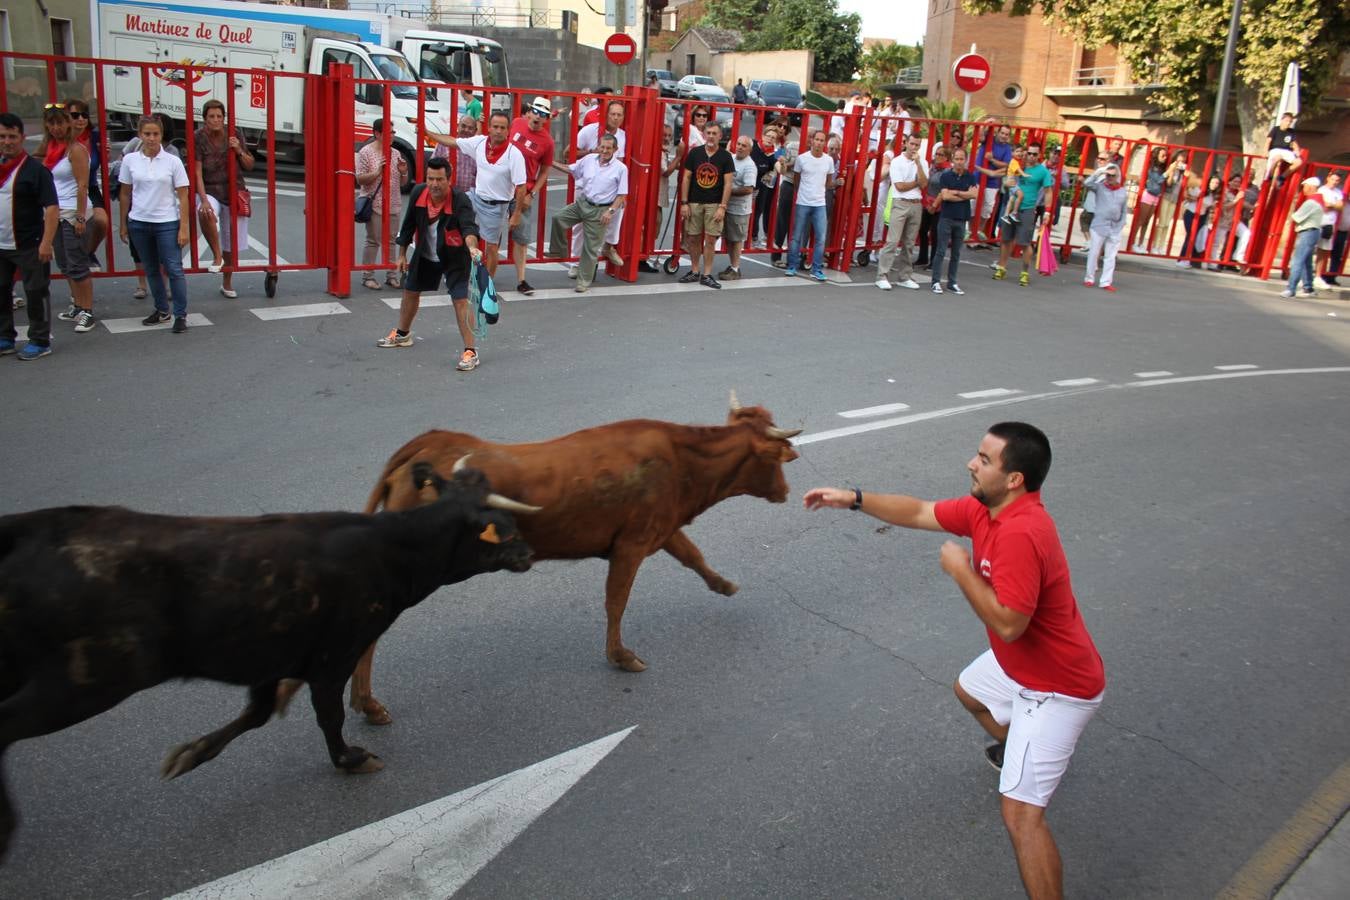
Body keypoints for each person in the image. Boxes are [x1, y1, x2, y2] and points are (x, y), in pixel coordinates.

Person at [802, 421, 1105, 900]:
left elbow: (1010, 624)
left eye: (985, 459)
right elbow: (921, 511)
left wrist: (962, 571)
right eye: (977, 454)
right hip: (1020, 666)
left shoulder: (1022, 532)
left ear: (1014, 479)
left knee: (1021, 817)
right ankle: (1024, 752)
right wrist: (854, 498)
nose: (971, 462)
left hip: (1056, 687)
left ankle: (1034, 763)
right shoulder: (986, 509)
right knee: (969, 691)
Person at [376, 157, 484, 370]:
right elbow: (408, 226)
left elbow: (469, 229)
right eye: (430, 178)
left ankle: (471, 351)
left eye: (439, 179)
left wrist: (472, 247)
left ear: (448, 180)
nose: (434, 184)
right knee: (410, 291)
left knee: (461, 300)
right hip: (426, 252)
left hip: (454, 256)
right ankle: (403, 335)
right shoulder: (419, 193)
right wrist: (401, 255)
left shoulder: (460, 199)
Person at [425, 111, 527, 280]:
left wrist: (516, 215)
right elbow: (453, 142)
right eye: (495, 127)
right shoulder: (480, 143)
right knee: (451, 222)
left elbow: (521, 187)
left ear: (508, 130)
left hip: (496, 206)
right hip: (475, 196)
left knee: (491, 248)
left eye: (502, 127)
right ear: (488, 127)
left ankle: (487, 283)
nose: (498, 131)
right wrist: (427, 132)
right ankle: (455, 268)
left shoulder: (514, 154)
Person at [119, 114, 191, 334]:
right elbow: (125, 193)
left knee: (174, 269)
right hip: (139, 222)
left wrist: (184, 227)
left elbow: (183, 195)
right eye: (147, 134)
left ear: (161, 135)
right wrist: (123, 224)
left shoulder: (173, 161)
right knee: (150, 268)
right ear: (140, 135)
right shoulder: (130, 160)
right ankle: (161, 309)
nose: (151, 139)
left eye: (155, 134)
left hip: (166, 222)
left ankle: (180, 314)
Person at [0, 112, 59, 360]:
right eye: (2, 136)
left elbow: (52, 208)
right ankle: (5, 337)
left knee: (35, 291)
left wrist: (46, 242)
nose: (7, 141)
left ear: (22, 138)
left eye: (12, 136)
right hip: (1, 244)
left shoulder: (35, 170)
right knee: (1, 290)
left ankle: (40, 339)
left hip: (29, 243)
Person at [37, 105, 98, 334]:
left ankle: (88, 311)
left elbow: (83, 185)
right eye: (52, 123)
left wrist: (81, 216)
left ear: (68, 124)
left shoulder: (76, 150)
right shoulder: (52, 148)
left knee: (78, 263)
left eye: (60, 123)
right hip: (56, 212)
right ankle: (78, 305)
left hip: (74, 212)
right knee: (64, 263)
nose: (56, 128)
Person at [545, 133, 627, 294]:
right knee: (558, 218)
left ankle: (583, 281)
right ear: (598, 146)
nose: (604, 151)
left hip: (601, 210)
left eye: (608, 148)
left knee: (590, 248)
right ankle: (559, 250)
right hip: (583, 203)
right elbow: (571, 169)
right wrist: (551, 162)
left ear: (615, 149)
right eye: (602, 147)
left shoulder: (620, 169)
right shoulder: (589, 160)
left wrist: (610, 211)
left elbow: (622, 194)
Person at [193, 99, 255, 299]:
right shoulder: (199, 137)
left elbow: (249, 164)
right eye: (211, 116)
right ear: (204, 119)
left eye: (219, 116)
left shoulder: (234, 133)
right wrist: (202, 199)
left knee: (231, 240)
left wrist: (238, 150)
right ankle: (216, 256)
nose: (215, 120)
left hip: (233, 190)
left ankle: (227, 282)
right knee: (205, 211)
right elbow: (197, 171)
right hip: (210, 189)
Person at [569, 99, 628, 275]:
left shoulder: (623, 136)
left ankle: (608, 247)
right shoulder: (589, 130)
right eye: (613, 114)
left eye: (619, 115)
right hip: (585, 186)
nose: (616, 118)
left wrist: (619, 193)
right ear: (606, 114)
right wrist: (591, 153)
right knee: (580, 225)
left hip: (608, 187)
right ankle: (575, 262)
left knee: (616, 213)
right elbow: (569, 152)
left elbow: (620, 163)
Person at [507, 96, 556, 296]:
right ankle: (484, 275)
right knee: (491, 234)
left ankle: (521, 280)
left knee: (521, 238)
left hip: (523, 191)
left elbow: (544, 171)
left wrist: (532, 193)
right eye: (536, 111)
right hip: (501, 186)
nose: (538, 117)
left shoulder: (548, 142)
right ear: (529, 112)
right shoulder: (516, 124)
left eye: (543, 114)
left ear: (547, 119)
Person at [355, 118, 411, 290]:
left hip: (393, 201)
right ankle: (368, 275)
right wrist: (377, 172)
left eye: (393, 132)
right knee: (373, 240)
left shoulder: (395, 153)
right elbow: (360, 179)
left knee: (392, 240)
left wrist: (403, 173)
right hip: (374, 202)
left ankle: (391, 274)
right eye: (389, 132)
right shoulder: (366, 152)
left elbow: (403, 183)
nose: (392, 135)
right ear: (377, 133)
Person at [678, 120, 734, 289]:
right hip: (694, 203)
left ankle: (707, 274)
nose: (710, 136)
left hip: (714, 204)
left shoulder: (725, 156)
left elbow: (728, 184)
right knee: (693, 238)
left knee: (710, 239)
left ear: (720, 136)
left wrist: (722, 207)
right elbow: (686, 178)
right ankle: (695, 271)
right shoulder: (695, 153)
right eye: (708, 133)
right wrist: (684, 203)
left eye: (714, 134)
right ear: (704, 135)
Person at [992, 144, 1053, 287]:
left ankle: (1024, 272)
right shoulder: (1017, 165)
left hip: (1028, 208)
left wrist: (1048, 211)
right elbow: (1004, 178)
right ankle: (1001, 267)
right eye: (1029, 153)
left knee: (1024, 242)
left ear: (1039, 156)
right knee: (1006, 239)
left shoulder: (1042, 172)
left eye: (1034, 154)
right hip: (1012, 206)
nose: (1031, 156)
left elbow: (1048, 191)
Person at [875, 132, 927, 291]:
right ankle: (882, 276)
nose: (914, 148)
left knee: (909, 243)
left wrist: (918, 166)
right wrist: (916, 182)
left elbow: (924, 184)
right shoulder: (897, 162)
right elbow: (900, 186)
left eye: (917, 145)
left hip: (916, 204)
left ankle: (905, 276)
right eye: (912, 144)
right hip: (900, 203)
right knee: (892, 240)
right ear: (906, 144)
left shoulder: (923, 162)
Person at [61, 98, 110, 264]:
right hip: (67, 190)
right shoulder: (60, 139)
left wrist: (105, 155)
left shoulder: (96, 136)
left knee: (102, 221)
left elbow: (101, 163)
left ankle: (89, 252)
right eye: (75, 115)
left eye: (84, 115)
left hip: (89, 186)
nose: (81, 119)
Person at [785, 129, 836, 282]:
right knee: (796, 237)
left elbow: (828, 183)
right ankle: (792, 266)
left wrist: (837, 183)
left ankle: (816, 269)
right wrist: (801, 194)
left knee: (820, 238)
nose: (819, 143)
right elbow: (796, 180)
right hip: (803, 202)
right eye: (817, 139)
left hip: (820, 203)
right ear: (812, 141)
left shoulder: (828, 161)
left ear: (825, 143)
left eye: (822, 140)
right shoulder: (802, 159)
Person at [929, 147, 978, 296]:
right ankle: (935, 281)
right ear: (952, 161)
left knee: (956, 252)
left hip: (962, 218)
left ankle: (952, 282)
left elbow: (974, 194)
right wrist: (964, 195)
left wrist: (956, 192)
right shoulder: (946, 176)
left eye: (961, 159)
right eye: (956, 159)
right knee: (941, 250)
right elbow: (945, 196)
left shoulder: (970, 176)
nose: (959, 162)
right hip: (946, 217)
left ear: (966, 160)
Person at [640, 122, 682, 273]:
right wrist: (678, 157)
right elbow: (665, 171)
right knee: (653, 226)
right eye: (664, 135)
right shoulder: (658, 152)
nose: (667, 138)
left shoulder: (662, 151)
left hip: (657, 193)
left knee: (654, 226)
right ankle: (641, 257)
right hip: (654, 194)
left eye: (669, 136)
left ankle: (642, 256)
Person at [1081, 161, 1128, 292]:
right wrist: (1099, 172)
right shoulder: (1100, 187)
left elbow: (1124, 211)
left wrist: (1121, 224)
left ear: (1117, 176)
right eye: (1108, 175)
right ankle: (1089, 278)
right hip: (1099, 225)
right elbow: (1087, 183)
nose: (1110, 178)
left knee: (1110, 256)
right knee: (1094, 252)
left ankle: (1106, 281)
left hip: (1114, 227)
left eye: (1113, 175)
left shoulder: (1122, 192)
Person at [719, 135, 757, 281]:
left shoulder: (749, 166)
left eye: (744, 146)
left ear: (749, 150)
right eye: (739, 144)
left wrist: (728, 191)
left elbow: (748, 189)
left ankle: (735, 268)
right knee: (729, 238)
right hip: (728, 207)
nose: (740, 147)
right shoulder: (732, 158)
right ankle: (733, 266)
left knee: (736, 240)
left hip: (740, 210)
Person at [1281, 176, 1325, 299]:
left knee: (1298, 261)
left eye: (1305, 187)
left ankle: (1291, 288)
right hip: (1314, 232)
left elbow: (1296, 217)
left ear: (1311, 187)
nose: (1304, 190)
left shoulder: (1311, 202)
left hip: (1308, 232)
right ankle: (1308, 287)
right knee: (1306, 261)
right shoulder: (1319, 200)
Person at [915, 145, 951, 270]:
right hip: (928, 203)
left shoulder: (947, 171)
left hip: (939, 205)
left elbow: (944, 190)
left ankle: (934, 261)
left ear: (947, 157)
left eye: (941, 155)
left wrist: (935, 205)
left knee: (935, 233)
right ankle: (922, 257)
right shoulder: (933, 169)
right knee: (923, 230)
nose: (938, 157)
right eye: (937, 154)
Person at [1126, 146, 1168, 254]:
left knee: (1147, 221)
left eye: (1165, 155)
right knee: (1141, 220)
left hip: (1156, 196)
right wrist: (1169, 171)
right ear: (1156, 156)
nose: (1164, 158)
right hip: (1148, 194)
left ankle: (1140, 243)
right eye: (1162, 155)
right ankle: (1132, 243)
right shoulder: (1151, 167)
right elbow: (1158, 180)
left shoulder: (1161, 168)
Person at [1314, 172, 1343, 289]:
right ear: (1328, 178)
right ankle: (1304, 275)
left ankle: (1317, 276)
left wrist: (1331, 205)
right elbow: (1323, 205)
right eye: (1333, 179)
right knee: (1310, 249)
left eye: (1337, 180)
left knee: (1323, 251)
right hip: (1318, 222)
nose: (1334, 182)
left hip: (1329, 224)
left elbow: (1340, 206)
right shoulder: (1321, 190)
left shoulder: (1338, 192)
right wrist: (1333, 205)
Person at [1263, 111, 1301, 183]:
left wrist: (1297, 151)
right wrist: (1265, 151)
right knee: (1277, 157)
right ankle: (1270, 176)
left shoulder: (1291, 132)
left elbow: (1294, 144)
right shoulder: (1275, 129)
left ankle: (1282, 177)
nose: (1288, 123)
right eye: (1287, 121)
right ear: (1282, 120)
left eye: (1290, 121)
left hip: (1286, 151)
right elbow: (1268, 141)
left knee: (1298, 162)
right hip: (1275, 150)